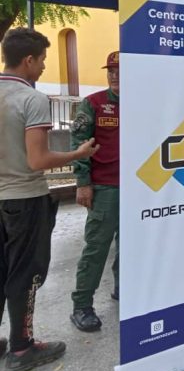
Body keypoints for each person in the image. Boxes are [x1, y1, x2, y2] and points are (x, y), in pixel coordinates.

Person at [0, 28, 98, 371]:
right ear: (28, 60)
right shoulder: (32, 99)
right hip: (24, 199)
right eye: (42, 60)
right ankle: (22, 347)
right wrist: (78, 153)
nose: (43, 67)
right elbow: (38, 160)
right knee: (25, 274)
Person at [69, 52, 122, 332]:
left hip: (139, 187)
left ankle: (124, 288)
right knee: (97, 247)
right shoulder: (94, 103)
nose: (114, 75)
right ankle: (82, 305)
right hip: (104, 187)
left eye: (120, 70)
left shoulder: (145, 100)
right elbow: (79, 143)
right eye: (110, 70)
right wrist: (83, 182)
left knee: (131, 245)